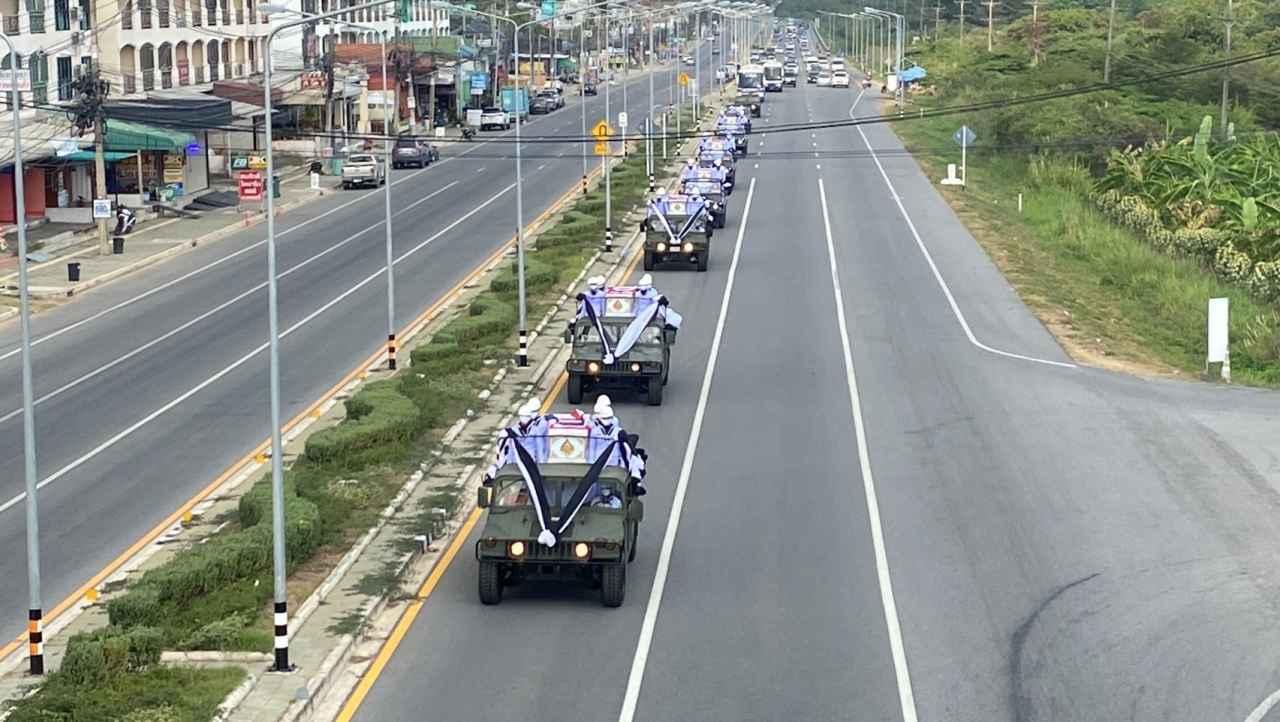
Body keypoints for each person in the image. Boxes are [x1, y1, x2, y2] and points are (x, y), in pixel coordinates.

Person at [483, 398, 548, 484]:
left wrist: (541, 468)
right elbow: (503, 453)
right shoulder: (510, 431)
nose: (524, 419)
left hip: (530, 465)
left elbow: (540, 449)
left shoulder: (537, 429)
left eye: (526, 416)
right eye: (522, 416)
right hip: (515, 466)